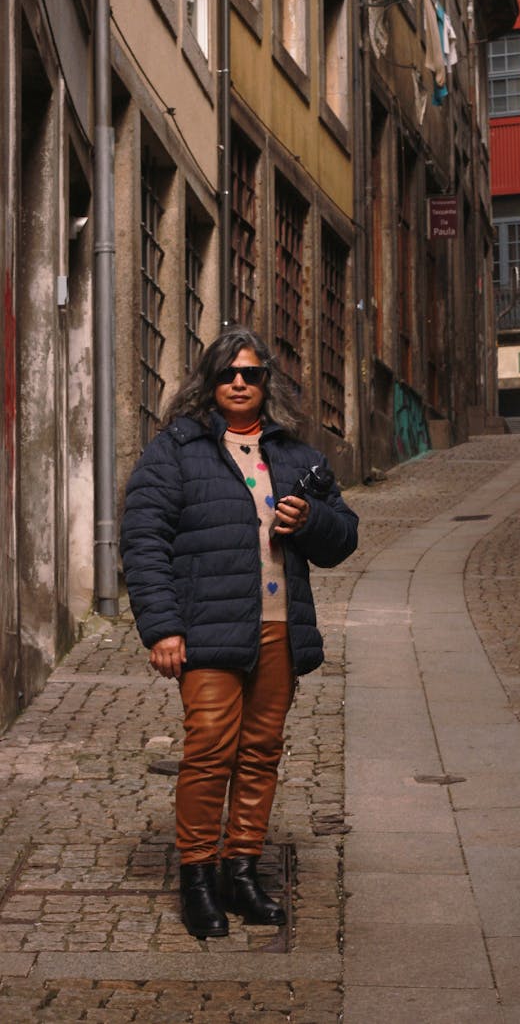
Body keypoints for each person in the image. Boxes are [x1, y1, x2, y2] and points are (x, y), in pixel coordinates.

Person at [120, 327, 358, 940]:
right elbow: (144, 541)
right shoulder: (176, 450)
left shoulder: (297, 458)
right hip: (205, 631)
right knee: (208, 749)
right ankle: (198, 877)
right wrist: (163, 628)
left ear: (265, 383)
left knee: (260, 752)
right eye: (228, 373)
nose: (239, 383)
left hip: (277, 629)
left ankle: (243, 871)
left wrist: (310, 520)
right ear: (209, 381)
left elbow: (344, 538)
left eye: (251, 374)